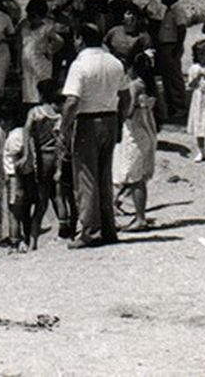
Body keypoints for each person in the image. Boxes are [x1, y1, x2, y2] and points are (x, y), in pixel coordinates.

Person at [61, 21, 130, 248]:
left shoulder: (79, 65)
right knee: (104, 176)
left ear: (80, 38)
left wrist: (64, 126)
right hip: (110, 118)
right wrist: (121, 119)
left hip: (87, 121)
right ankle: (108, 229)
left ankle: (90, 231)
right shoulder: (114, 62)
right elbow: (125, 95)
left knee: (86, 177)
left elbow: (72, 100)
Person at [112, 52, 158, 232]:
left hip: (135, 131)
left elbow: (128, 111)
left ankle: (140, 218)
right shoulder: (147, 84)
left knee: (134, 176)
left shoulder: (134, 85)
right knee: (137, 175)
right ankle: (136, 214)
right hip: (145, 130)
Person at [20, 78, 66, 250]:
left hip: (43, 157)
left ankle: (32, 241)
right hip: (58, 156)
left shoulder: (36, 112)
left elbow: (27, 130)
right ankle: (64, 232)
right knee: (60, 196)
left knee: (42, 200)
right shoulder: (58, 113)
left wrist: (27, 153)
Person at [17, 0, 65, 110]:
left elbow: (60, 41)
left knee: (41, 90)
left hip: (41, 63)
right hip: (27, 64)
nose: (31, 19)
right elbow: (19, 46)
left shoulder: (46, 28)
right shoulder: (24, 26)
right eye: (29, 16)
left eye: (34, 17)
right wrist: (18, 65)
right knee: (28, 92)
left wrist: (50, 50)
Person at [155, 0, 191, 124]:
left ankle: (179, 107)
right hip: (165, 45)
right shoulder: (167, 10)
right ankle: (171, 107)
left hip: (172, 45)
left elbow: (181, 28)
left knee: (174, 77)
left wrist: (178, 46)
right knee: (167, 78)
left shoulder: (178, 10)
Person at [1, 109, 31, 251]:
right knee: (21, 209)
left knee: (14, 210)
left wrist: (17, 179)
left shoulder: (14, 136)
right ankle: (23, 238)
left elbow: (17, 158)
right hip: (20, 177)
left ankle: (15, 241)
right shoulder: (21, 132)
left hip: (15, 177)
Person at [104, 5, 151, 69]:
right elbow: (104, 45)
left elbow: (148, 54)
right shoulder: (114, 31)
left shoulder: (144, 36)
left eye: (134, 14)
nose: (132, 16)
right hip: (113, 66)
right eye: (129, 14)